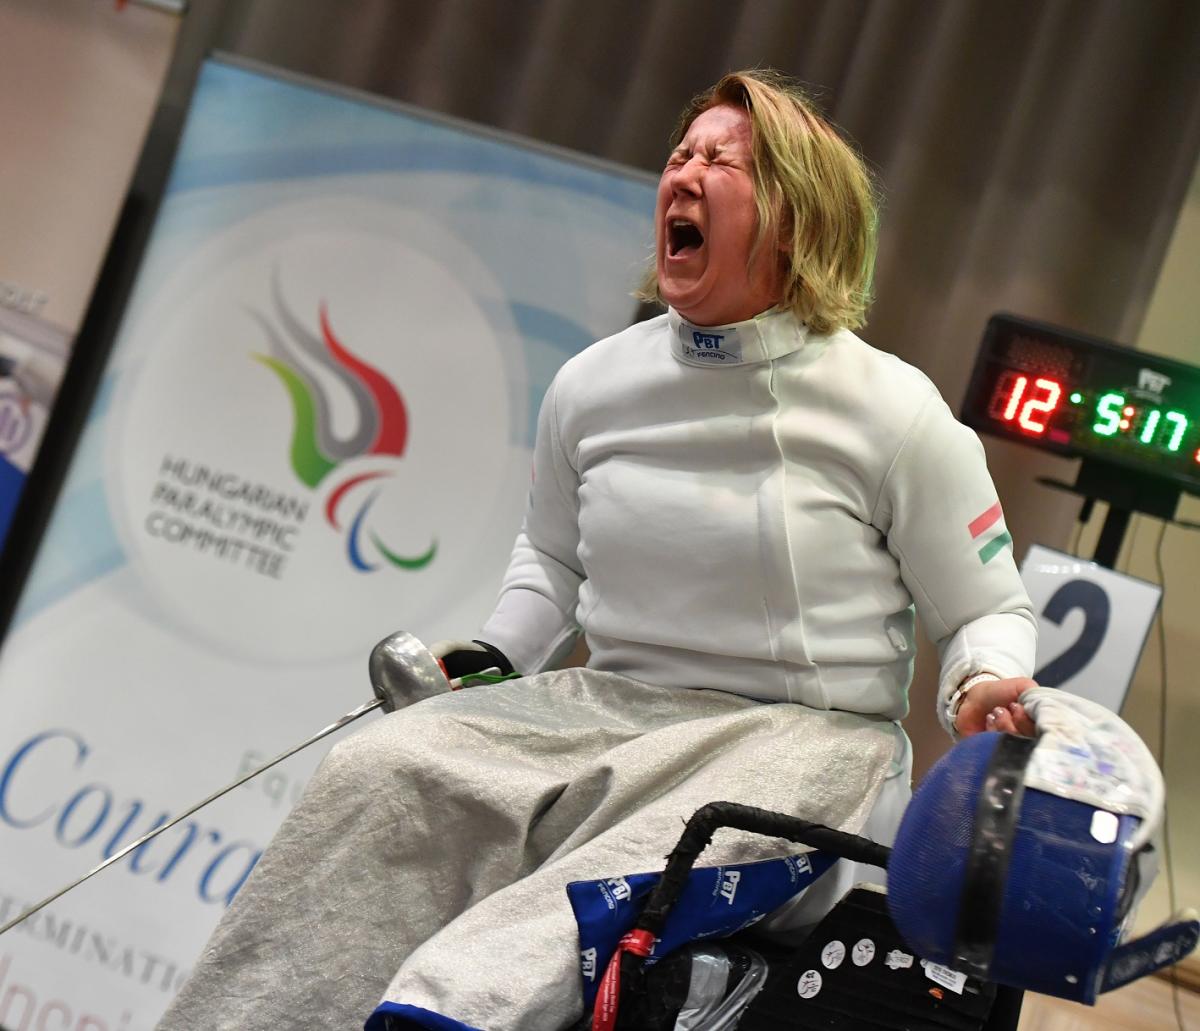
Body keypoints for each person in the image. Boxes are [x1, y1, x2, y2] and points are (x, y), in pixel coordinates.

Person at [158, 70, 1038, 1031]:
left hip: (803, 744)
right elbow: (551, 563)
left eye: (722, 161)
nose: (685, 173)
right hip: (607, 715)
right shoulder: (594, 385)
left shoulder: (893, 411)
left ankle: (450, 1013)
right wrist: (496, 657)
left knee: (661, 842)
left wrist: (982, 685)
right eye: (680, 154)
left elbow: (985, 607)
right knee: (381, 771)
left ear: (793, 219)